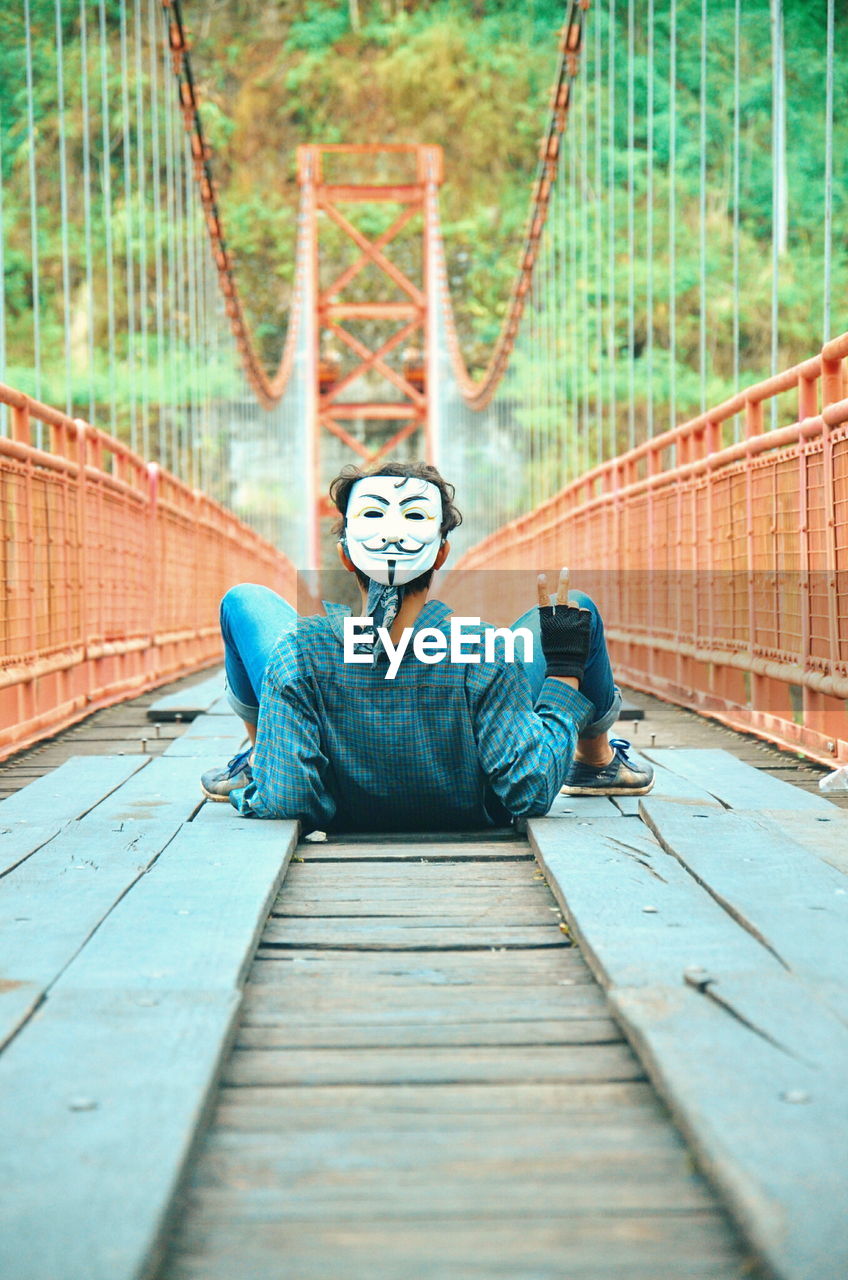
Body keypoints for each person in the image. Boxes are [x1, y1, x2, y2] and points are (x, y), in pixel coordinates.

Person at [200, 460, 653, 831]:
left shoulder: (298, 653)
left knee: (244, 601)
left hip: (330, 757)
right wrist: (563, 674)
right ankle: (595, 761)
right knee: (573, 608)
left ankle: (266, 755)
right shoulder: (486, 652)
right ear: (441, 555)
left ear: (345, 556)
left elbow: (288, 799)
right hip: (469, 789)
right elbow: (530, 791)